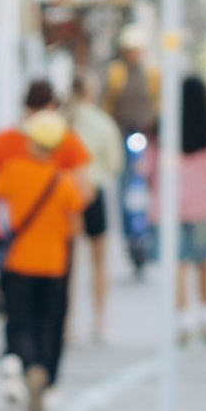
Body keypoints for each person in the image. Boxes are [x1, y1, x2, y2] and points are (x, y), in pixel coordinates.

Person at [0, 77, 90, 411]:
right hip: (55, 255)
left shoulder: (3, 148)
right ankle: (48, 378)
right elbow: (82, 200)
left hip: (13, 249)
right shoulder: (68, 145)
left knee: (18, 315)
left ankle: (21, 364)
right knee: (52, 319)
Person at [67, 84, 124, 344]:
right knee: (99, 262)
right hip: (95, 193)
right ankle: (99, 322)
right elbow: (115, 164)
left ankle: (68, 323)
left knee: (68, 264)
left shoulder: (62, 121)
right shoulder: (102, 122)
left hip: (66, 196)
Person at [176, 72, 206, 340]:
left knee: (177, 264)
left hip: (171, 207)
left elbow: (145, 166)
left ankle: (182, 321)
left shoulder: (164, 126)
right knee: (205, 261)